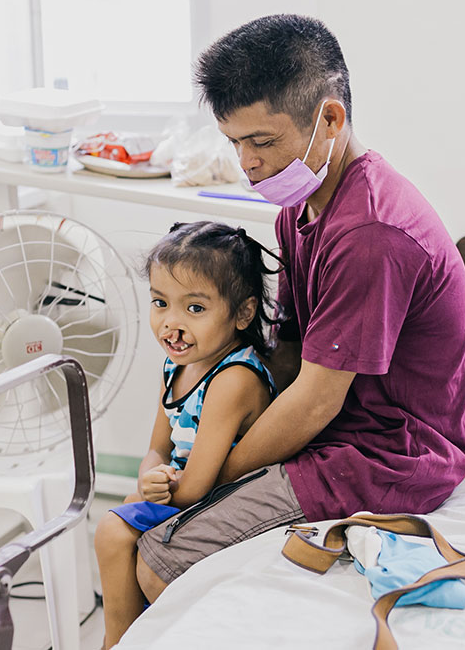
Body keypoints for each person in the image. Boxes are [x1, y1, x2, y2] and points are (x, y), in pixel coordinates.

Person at [98, 13, 465, 646]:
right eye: (234, 141)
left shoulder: (370, 235)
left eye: (263, 142)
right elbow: (291, 350)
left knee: (161, 565)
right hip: (335, 425)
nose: (246, 163)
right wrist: (210, 410)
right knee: (134, 532)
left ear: (329, 120)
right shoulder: (300, 209)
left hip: (386, 451)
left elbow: (316, 398)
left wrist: (212, 479)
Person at [94, 221, 281, 646]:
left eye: (194, 309)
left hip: (223, 497)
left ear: (243, 313)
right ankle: (142, 632)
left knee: (112, 530)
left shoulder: (233, 379)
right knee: (127, 508)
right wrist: (150, 477)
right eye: (161, 303)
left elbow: (196, 486)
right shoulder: (175, 367)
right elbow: (156, 449)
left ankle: (118, 640)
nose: (171, 324)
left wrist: (158, 488)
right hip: (186, 486)